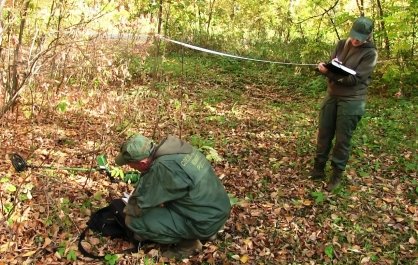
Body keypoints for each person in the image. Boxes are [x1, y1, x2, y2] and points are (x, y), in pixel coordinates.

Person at [115, 134, 231, 259]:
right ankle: (207, 231)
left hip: (205, 221)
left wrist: (126, 210)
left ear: (142, 163)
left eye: (130, 164)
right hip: (219, 209)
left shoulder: (162, 168)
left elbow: (139, 204)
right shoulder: (177, 149)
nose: (130, 167)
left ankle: (188, 245)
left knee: (133, 221)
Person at [311, 16, 378, 191]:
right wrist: (324, 68)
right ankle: (318, 168)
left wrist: (329, 74)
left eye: (360, 38)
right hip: (333, 95)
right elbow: (334, 64)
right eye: (354, 35)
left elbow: (353, 80)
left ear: (368, 36)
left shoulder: (370, 53)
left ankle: (336, 175)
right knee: (324, 132)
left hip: (352, 100)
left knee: (342, 138)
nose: (356, 40)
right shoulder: (342, 44)